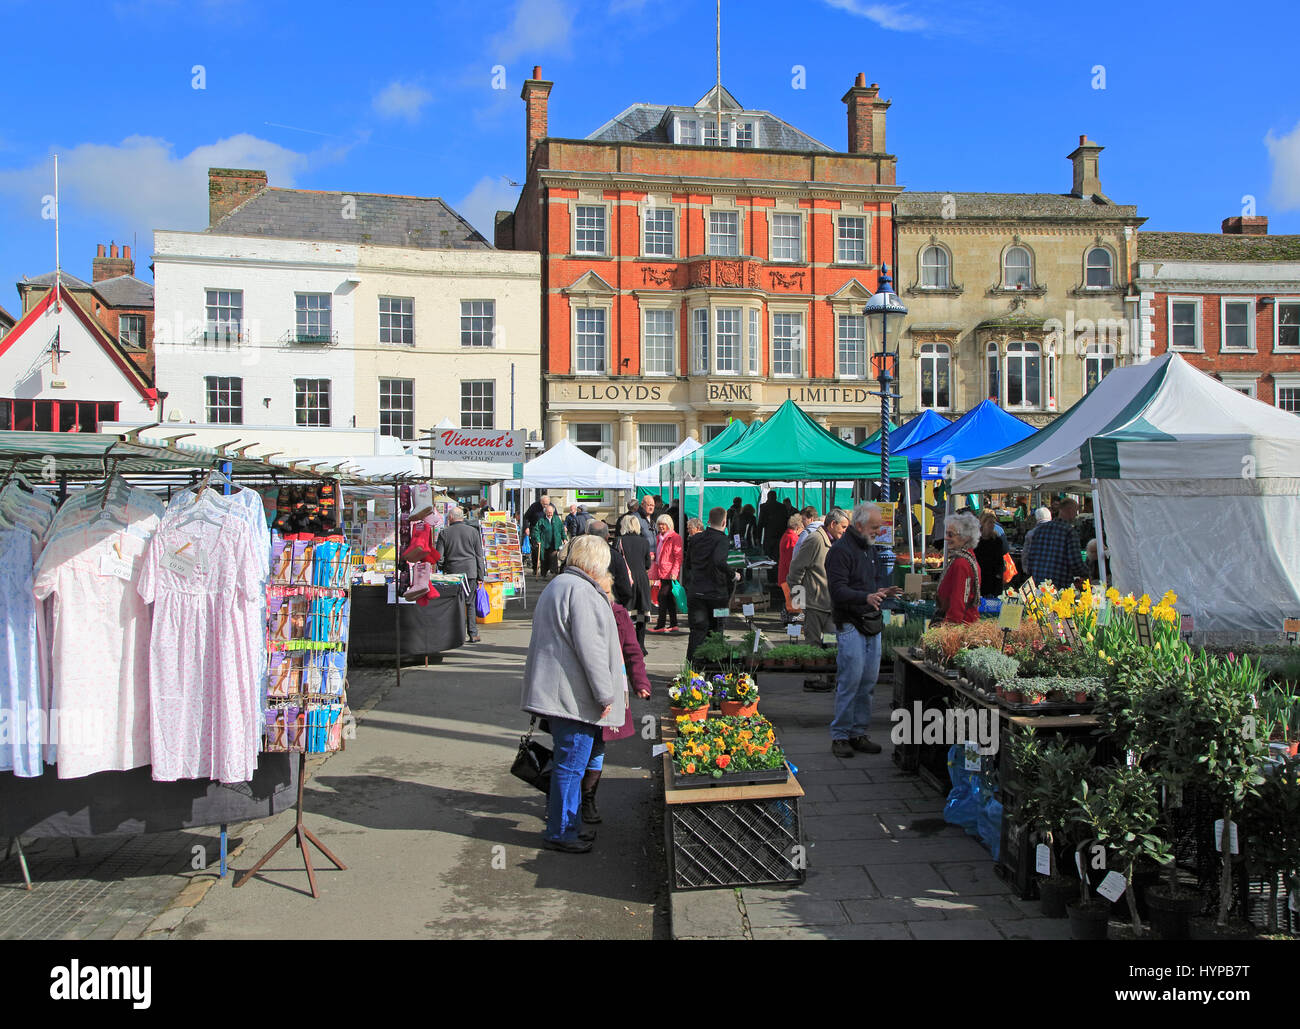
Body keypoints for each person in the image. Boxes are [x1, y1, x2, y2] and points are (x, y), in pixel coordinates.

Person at [520, 535, 626, 853]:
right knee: (570, 766)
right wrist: (605, 695)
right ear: (595, 562)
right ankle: (562, 831)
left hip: (561, 693)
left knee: (570, 764)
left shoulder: (562, 584)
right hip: (573, 698)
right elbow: (591, 650)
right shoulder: (581, 591)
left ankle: (569, 826)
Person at [826, 503, 900, 758]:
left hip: (871, 622)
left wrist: (881, 592)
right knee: (850, 681)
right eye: (875, 527)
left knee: (868, 682)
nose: (879, 532)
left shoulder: (869, 549)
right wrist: (865, 597)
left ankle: (858, 732)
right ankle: (840, 736)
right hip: (850, 623)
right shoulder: (840, 551)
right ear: (859, 526)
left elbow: (871, 583)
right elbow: (837, 591)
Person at [787, 506, 847, 652]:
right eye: (843, 527)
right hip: (815, 605)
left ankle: (829, 673)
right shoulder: (815, 540)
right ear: (833, 524)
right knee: (813, 645)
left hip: (830, 605)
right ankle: (813, 675)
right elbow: (796, 569)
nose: (845, 531)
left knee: (832, 644)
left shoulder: (836, 542)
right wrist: (798, 599)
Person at [683, 507, 733, 661]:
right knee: (717, 629)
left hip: (696, 592)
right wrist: (733, 574)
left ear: (708, 521)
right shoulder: (723, 539)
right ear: (724, 522)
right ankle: (714, 666)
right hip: (718, 595)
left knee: (697, 631)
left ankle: (691, 668)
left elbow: (688, 564)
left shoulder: (696, 539)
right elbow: (719, 561)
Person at [437, 506, 487, 644]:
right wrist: (480, 576)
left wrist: (441, 568)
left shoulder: (444, 533)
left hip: (453, 573)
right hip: (470, 572)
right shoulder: (473, 532)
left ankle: (456, 635)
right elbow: (479, 555)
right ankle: (473, 633)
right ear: (462, 517)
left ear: (451, 518)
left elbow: (439, 557)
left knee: (454, 604)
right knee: (470, 603)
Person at [1026, 498, 1086, 588]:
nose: (1076, 515)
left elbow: (1030, 557)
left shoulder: (1040, 529)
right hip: (1059, 584)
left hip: (1038, 582)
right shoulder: (1070, 532)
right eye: (1076, 511)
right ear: (1070, 510)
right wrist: (1087, 573)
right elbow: (1075, 562)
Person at [935, 511, 982, 624]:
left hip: (962, 624)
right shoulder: (966, 558)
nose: (946, 538)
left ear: (965, 537)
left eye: (950, 534)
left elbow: (959, 600)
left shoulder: (961, 563)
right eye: (946, 533)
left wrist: (950, 627)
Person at [616, 514, 653, 653]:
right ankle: (641, 645)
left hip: (626, 578)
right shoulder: (644, 542)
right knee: (641, 612)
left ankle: (627, 644)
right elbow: (648, 564)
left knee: (626, 612)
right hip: (642, 579)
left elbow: (616, 561)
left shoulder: (619, 541)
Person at [648, 513, 683, 634]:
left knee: (662, 597)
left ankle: (661, 624)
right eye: (659, 524)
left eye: (663, 524)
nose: (661, 526)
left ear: (669, 525)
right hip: (661, 571)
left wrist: (675, 571)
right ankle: (674, 624)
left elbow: (678, 557)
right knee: (669, 599)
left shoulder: (675, 537)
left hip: (669, 573)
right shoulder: (659, 537)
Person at [586, 520, 632, 604]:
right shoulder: (615, 556)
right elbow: (625, 589)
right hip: (610, 604)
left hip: (586, 603)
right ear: (607, 536)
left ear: (587, 535)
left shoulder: (579, 555)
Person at [974, 511, 1010, 599]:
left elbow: (1001, 559)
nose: (992, 525)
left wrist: (999, 575)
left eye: (994, 522)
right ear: (983, 523)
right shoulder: (975, 540)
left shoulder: (997, 540)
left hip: (993, 581)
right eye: (990, 522)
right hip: (978, 579)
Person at [777, 514, 805, 616]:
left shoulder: (786, 535)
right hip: (788, 576)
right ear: (798, 527)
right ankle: (792, 625)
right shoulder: (792, 538)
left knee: (792, 604)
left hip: (785, 575)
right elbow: (791, 560)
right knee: (794, 607)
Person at [531, 502, 567, 579]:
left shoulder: (557, 519)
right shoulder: (541, 520)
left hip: (554, 542)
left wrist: (564, 538)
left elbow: (561, 530)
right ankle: (544, 574)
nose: (550, 514)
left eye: (551, 512)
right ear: (545, 512)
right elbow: (536, 530)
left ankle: (554, 573)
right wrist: (538, 540)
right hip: (544, 543)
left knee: (553, 557)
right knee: (544, 558)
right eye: (548, 512)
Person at [522, 493, 550, 574]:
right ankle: (535, 568)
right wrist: (526, 527)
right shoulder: (534, 506)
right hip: (535, 530)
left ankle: (544, 570)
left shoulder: (551, 507)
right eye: (544, 504)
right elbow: (526, 517)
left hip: (546, 531)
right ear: (541, 502)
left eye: (547, 504)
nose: (546, 506)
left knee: (546, 550)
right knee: (536, 549)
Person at [634, 495, 657, 559]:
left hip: (653, 557)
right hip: (642, 558)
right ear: (642, 504)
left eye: (653, 506)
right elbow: (634, 540)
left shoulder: (653, 518)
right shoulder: (635, 518)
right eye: (649, 505)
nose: (651, 508)